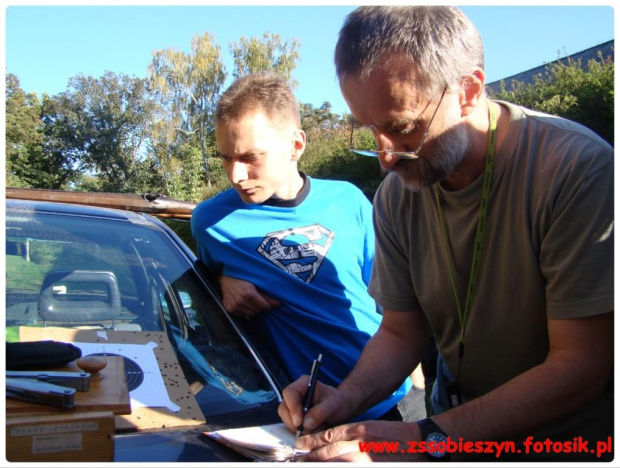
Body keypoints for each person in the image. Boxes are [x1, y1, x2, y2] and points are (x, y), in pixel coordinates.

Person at [278, 6, 613, 462]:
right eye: (369, 128)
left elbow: (583, 366)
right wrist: (343, 401)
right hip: (455, 438)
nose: (386, 158)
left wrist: (422, 439)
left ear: (469, 91)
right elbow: (399, 333)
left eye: (402, 128)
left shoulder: (576, 171)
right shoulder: (397, 197)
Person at [191, 72, 421, 423]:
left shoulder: (349, 200)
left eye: (251, 156)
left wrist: (415, 374)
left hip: (391, 396)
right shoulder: (210, 224)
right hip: (302, 411)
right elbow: (209, 310)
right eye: (225, 157)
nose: (236, 174)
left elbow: (391, 298)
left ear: (296, 145)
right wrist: (221, 282)